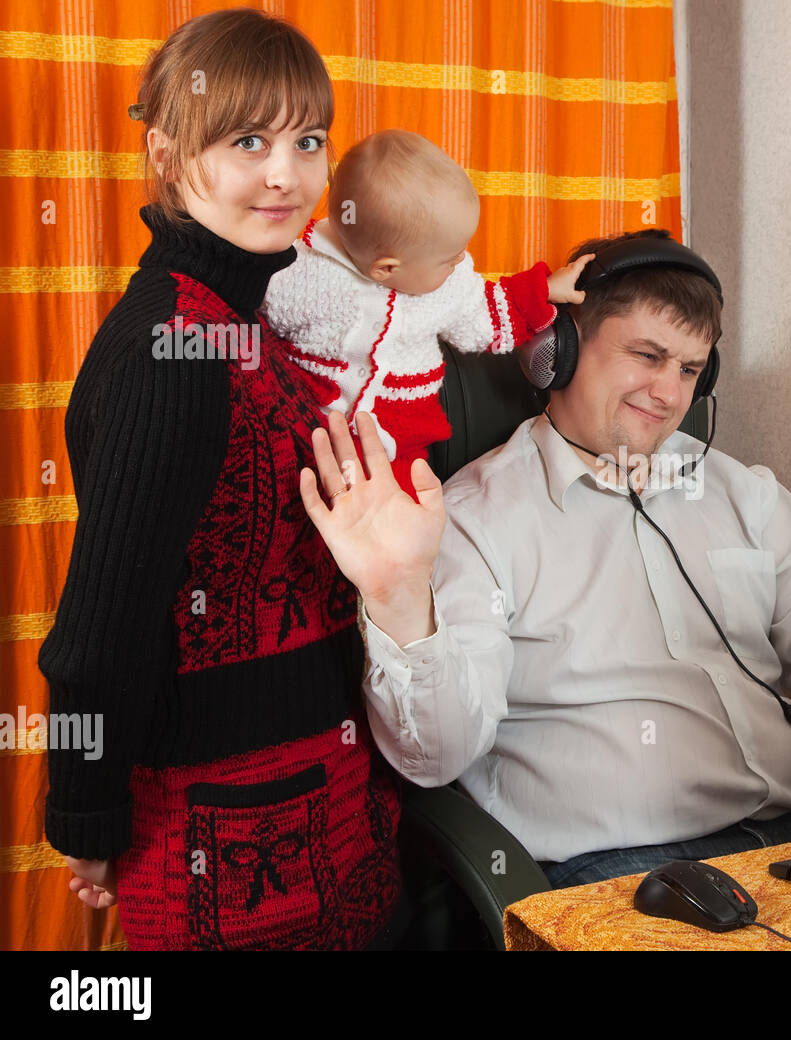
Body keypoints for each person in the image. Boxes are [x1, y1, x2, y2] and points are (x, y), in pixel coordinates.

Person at [299, 229, 791, 890]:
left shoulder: (744, 495)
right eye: (646, 355)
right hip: (615, 876)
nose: (668, 394)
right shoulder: (476, 519)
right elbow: (436, 756)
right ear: (558, 348)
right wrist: (399, 597)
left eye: (690, 369)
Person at [39, 8, 406, 948]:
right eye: (249, 141)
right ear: (168, 153)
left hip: (324, 800)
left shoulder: (241, 315)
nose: (286, 174)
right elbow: (99, 633)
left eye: (308, 140)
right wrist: (85, 817)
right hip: (215, 833)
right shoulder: (176, 344)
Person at [261, 129, 594, 499]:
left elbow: (483, 310)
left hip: (398, 447)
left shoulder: (448, 287)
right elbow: (251, 312)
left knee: (404, 513)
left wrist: (543, 291)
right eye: (449, 259)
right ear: (386, 269)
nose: (461, 262)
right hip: (306, 437)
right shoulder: (295, 270)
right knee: (293, 502)